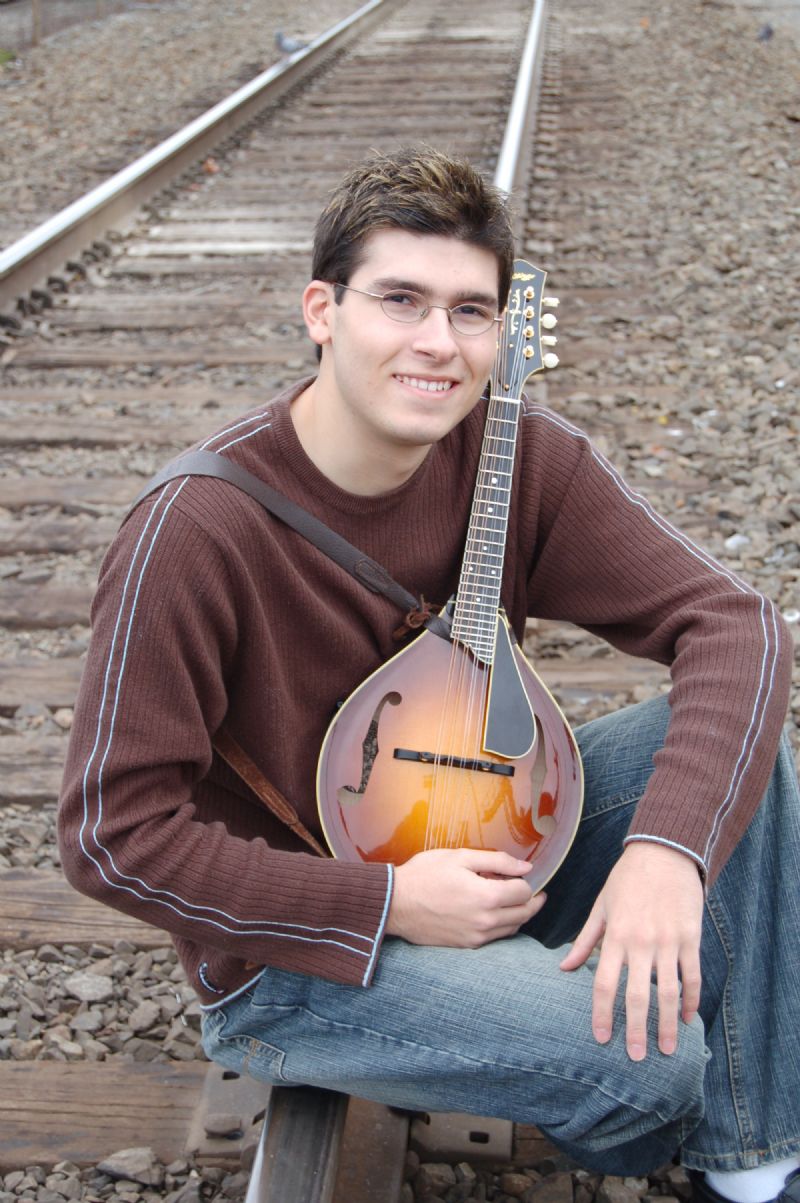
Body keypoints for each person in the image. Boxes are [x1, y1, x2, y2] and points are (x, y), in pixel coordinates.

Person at [57, 146, 799, 1202]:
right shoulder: (195, 532)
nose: (438, 343)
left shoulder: (515, 454)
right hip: (294, 954)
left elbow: (736, 625)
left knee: (739, 763)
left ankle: (756, 1164)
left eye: (470, 311)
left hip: (490, 840)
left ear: (502, 328)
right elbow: (111, 837)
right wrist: (389, 900)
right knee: (653, 1061)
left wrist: (666, 853)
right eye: (400, 300)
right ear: (322, 310)